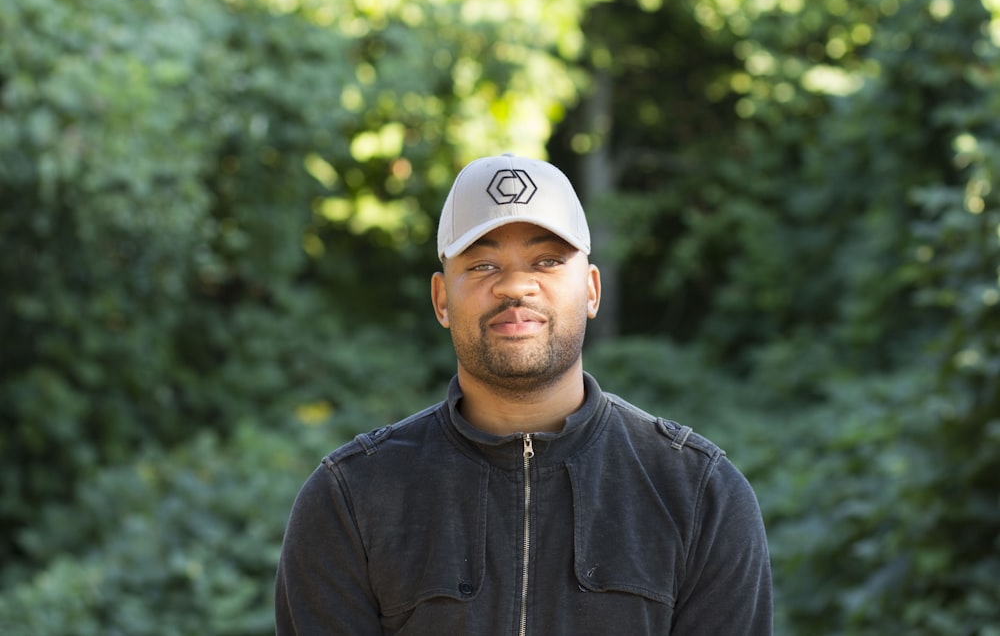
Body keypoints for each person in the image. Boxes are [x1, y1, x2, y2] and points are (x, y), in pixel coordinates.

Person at [275, 153, 773, 635]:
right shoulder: (352, 499)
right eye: (483, 265)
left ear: (592, 290)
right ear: (442, 299)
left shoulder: (700, 495)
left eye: (548, 260)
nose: (516, 286)